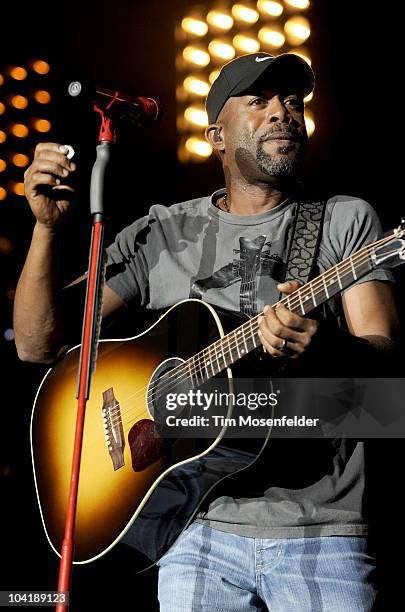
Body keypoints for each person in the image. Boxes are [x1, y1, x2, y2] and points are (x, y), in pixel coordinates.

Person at [14, 52, 399, 611]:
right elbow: (36, 344)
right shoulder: (162, 231)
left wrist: (326, 346)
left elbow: (386, 392)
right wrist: (46, 232)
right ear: (217, 134)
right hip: (190, 530)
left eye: (293, 101)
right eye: (261, 101)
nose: (283, 113)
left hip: (322, 529)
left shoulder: (344, 219)